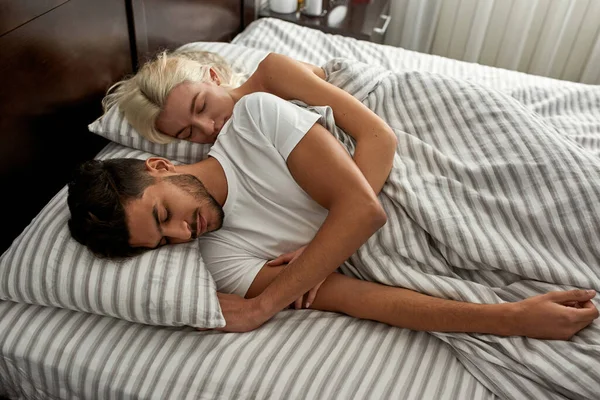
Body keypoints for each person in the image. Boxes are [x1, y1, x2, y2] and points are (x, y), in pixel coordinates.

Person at [68, 87, 599, 340]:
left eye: (164, 215)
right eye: (163, 243)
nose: (182, 232)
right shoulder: (220, 257)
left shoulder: (252, 120)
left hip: (431, 173)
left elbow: (363, 211)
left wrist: (263, 306)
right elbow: (364, 299)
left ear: (159, 165)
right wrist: (510, 319)